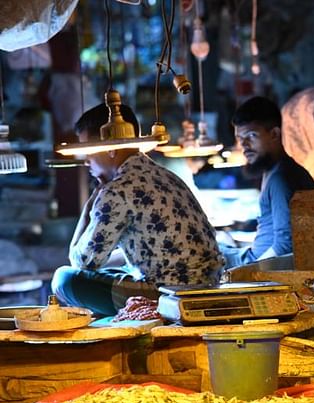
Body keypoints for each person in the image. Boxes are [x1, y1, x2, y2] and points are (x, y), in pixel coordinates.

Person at [51, 103, 224, 316]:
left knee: (64, 278)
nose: (87, 160)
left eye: (88, 150)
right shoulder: (164, 174)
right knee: (114, 270)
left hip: (169, 296)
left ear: (111, 148)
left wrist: (89, 207)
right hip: (208, 285)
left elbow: (82, 261)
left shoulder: (116, 190)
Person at [222, 96, 314, 268]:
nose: (244, 144)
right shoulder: (278, 169)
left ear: (274, 134)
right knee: (219, 243)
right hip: (254, 257)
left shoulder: (280, 179)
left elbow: (285, 246)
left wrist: (247, 274)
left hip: (261, 265)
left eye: (252, 135)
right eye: (240, 137)